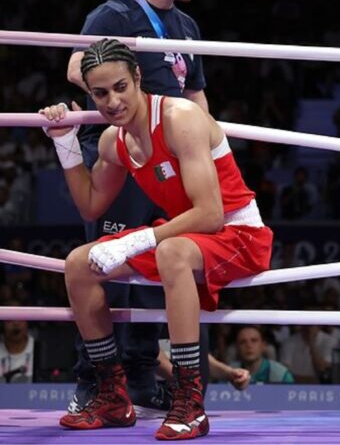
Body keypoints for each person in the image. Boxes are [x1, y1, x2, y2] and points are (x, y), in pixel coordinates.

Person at [39, 38, 272, 440]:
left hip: (237, 233)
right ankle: (111, 394)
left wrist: (136, 240)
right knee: (79, 264)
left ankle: (189, 402)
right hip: (182, 236)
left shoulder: (180, 118)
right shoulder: (114, 141)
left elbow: (211, 213)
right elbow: (91, 206)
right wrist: (66, 144)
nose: (112, 102)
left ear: (138, 78)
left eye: (120, 87)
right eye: (100, 93)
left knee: (171, 251)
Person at [65, 0, 209, 417]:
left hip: (169, 154)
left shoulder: (186, 25)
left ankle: (144, 379)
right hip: (123, 152)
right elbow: (78, 67)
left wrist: (208, 148)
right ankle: (96, 382)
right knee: (104, 263)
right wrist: (119, 94)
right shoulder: (114, 15)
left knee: (158, 268)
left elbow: (195, 93)